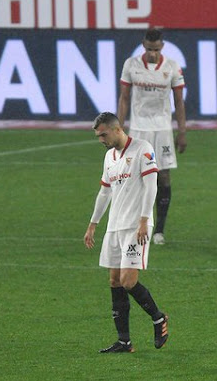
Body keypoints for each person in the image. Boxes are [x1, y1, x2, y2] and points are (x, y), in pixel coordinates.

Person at [83, 112, 169, 353]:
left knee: (128, 280)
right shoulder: (109, 157)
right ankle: (124, 341)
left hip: (136, 226)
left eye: (103, 134)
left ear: (117, 129)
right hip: (115, 226)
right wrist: (93, 224)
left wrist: (144, 220)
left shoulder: (143, 149)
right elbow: (105, 193)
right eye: (98, 136)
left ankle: (158, 318)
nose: (101, 139)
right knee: (114, 281)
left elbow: (152, 185)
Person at [117, 28, 187, 245]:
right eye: (149, 49)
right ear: (143, 45)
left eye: (156, 49)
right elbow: (124, 98)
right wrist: (118, 130)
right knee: (135, 177)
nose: (153, 53)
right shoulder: (131, 65)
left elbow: (179, 102)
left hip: (163, 130)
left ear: (162, 46)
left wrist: (182, 131)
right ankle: (137, 225)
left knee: (163, 177)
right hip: (138, 129)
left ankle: (159, 230)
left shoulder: (172, 67)